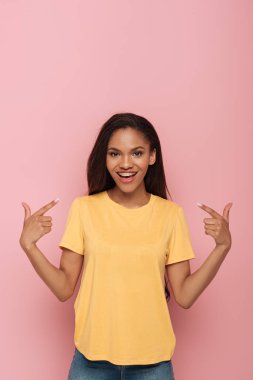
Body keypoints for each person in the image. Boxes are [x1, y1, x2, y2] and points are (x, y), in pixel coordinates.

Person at [19, 112, 232, 380]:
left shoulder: (170, 215)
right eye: (115, 154)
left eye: (137, 153)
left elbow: (185, 296)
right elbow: (64, 288)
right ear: (105, 158)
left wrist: (221, 248)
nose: (126, 163)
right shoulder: (85, 209)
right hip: (91, 363)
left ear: (152, 156)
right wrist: (30, 247)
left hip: (153, 365)